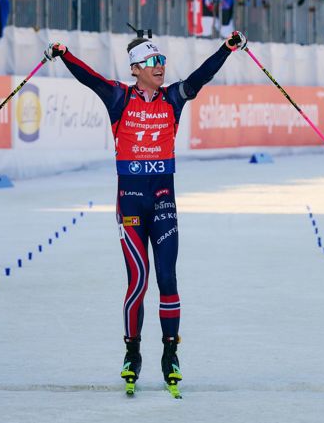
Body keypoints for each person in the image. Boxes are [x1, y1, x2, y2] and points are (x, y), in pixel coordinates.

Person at [43, 30, 248, 395]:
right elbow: (89, 78)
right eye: (154, 62)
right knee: (138, 281)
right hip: (131, 203)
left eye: (163, 61)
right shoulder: (119, 97)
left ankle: (171, 354)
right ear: (136, 68)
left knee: (167, 279)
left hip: (164, 200)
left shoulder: (173, 98)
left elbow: (200, 77)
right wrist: (64, 54)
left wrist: (226, 49)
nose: (161, 67)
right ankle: (132, 353)